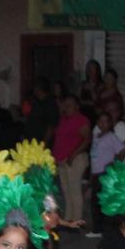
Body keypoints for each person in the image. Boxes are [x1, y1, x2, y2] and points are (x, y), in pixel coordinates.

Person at [52, 94, 91, 226]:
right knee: (66, 189)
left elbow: (87, 139)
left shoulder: (81, 120)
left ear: (77, 106)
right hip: (63, 160)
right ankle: (69, 218)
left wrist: (73, 155)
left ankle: (77, 219)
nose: (66, 107)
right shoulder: (63, 119)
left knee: (74, 189)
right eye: (65, 104)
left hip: (75, 159)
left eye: (69, 104)